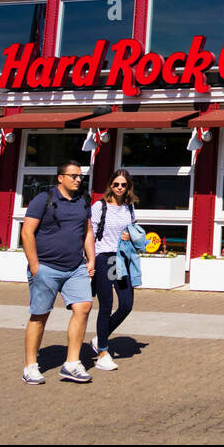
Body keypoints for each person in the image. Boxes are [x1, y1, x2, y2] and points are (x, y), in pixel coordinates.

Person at [21, 161, 96, 385]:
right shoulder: (43, 199)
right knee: (40, 314)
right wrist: (35, 265)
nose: (78, 179)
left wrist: (91, 258)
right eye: (73, 175)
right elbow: (27, 232)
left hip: (75, 267)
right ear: (60, 178)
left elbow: (87, 230)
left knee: (84, 307)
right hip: (46, 267)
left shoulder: (83, 200)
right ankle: (31, 366)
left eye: (80, 176)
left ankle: (71, 364)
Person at [90, 169, 139, 372]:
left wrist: (130, 236)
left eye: (124, 185)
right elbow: (90, 235)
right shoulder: (99, 207)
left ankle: (100, 337)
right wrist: (89, 261)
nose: (120, 188)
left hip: (122, 259)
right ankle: (103, 351)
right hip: (104, 258)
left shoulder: (130, 207)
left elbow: (134, 230)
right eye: (116, 184)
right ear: (111, 185)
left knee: (126, 304)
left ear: (128, 187)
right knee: (106, 305)